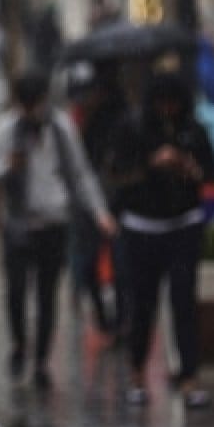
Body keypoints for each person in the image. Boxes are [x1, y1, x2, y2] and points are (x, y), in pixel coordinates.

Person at [0, 73, 116, 389]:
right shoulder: (6, 130)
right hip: (18, 222)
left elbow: (80, 173)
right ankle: (19, 344)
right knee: (16, 291)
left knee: (47, 294)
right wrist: (8, 167)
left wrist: (100, 213)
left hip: (53, 222)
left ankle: (42, 361)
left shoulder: (61, 129)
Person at [106, 73, 214, 407]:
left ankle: (189, 376)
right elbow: (115, 175)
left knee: (184, 303)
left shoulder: (193, 130)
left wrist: (188, 168)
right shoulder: (132, 128)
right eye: (162, 104)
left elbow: (213, 174)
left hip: (184, 224)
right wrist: (151, 165)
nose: (168, 110)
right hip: (142, 227)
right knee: (143, 304)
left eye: (174, 104)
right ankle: (137, 373)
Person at [66, 63, 128, 336]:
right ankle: (103, 317)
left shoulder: (120, 119)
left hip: (117, 200)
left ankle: (123, 321)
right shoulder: (77, 123)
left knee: (121, 264)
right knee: (88, 261)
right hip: (87, 204)